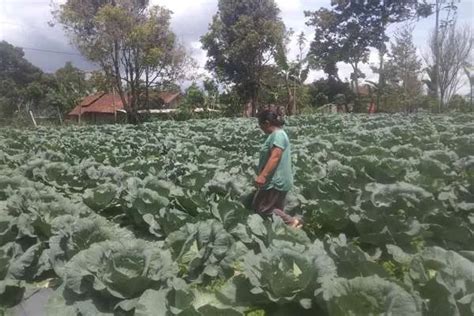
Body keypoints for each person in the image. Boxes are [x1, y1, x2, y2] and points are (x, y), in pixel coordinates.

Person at [252, 107, 302, 228]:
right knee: (275, 210)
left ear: (267, 123)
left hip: (275, 181)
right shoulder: (278, 134)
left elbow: (275, 156)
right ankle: (280, 230)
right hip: (278, 179)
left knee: (261, 207)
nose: (260, 127)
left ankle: (292, 222)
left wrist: (263, 176)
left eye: (260, 124)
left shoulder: (278, 135)